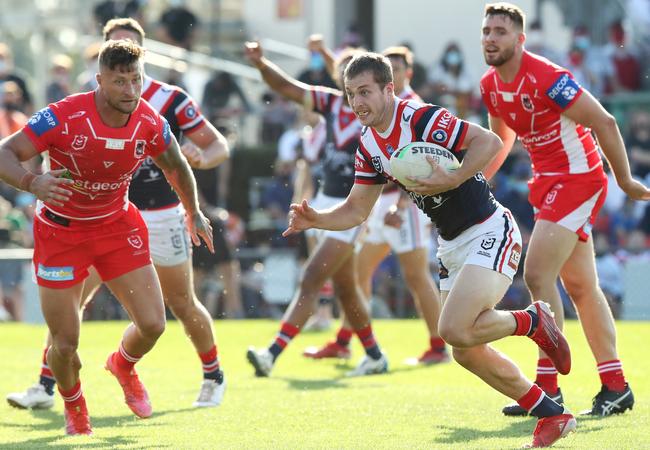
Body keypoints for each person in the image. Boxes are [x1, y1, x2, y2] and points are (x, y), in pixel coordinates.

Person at [284, 51, 576, 448]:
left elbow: (488, 142)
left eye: (365, 91)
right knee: (465, 352)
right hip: (451, 243)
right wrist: (315, 218)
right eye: (351, 94)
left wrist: (454, 176)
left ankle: (533, 322)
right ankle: (552, 415)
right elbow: (356, 209)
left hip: (489, 228)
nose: (358, 102)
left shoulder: (420, 119)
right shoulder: (369, 144)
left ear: (390, 89)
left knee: (452, 329)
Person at [5, 18, 229, 415]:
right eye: (119, 80)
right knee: (68, 324)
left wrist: (195, 208)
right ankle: (57, 394)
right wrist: (31, 182)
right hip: (70, 228)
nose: (130, 88)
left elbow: (195, 155)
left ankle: (196, 374)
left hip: (138, 221)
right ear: (100, 76)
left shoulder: (165, 105)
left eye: (135, 79)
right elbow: (8, 150)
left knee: (172, 308)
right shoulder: (67, 113)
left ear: (144, 61)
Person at [479, 2, 649, 417]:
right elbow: (500, 142)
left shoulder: (548, 78)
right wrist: (477, 180)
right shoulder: (489, 85)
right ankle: (615, 386)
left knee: (537, 274)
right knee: (581, 287)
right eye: (486, 31)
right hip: (550, 185)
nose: (490, 38)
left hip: (579, 180)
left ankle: (547, 387)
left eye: (500, 31)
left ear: (520, 39)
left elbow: (605, 122)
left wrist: (624, 180)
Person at [243, 41, 389, 378]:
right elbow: (285, 87)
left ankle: (272, 353)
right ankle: (374, 355)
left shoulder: (379, 110)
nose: (349, 78)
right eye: (345, 70)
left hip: (353, 207)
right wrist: (261, 63)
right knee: (345, 287)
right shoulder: (330, 102)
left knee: (311, 276)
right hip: (324, 200)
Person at [304, 45, 448, 366]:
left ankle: (439, 347)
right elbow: (345, 74)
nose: (393, 71)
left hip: (403, 204)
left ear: (402, 77)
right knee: (358, 274)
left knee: (416, 277)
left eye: (398, 68)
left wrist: (401, 203)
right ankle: (344, 341)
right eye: (390, 66)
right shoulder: (377, 105)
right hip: (375, 204)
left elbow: (419, 163)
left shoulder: (413, 108)